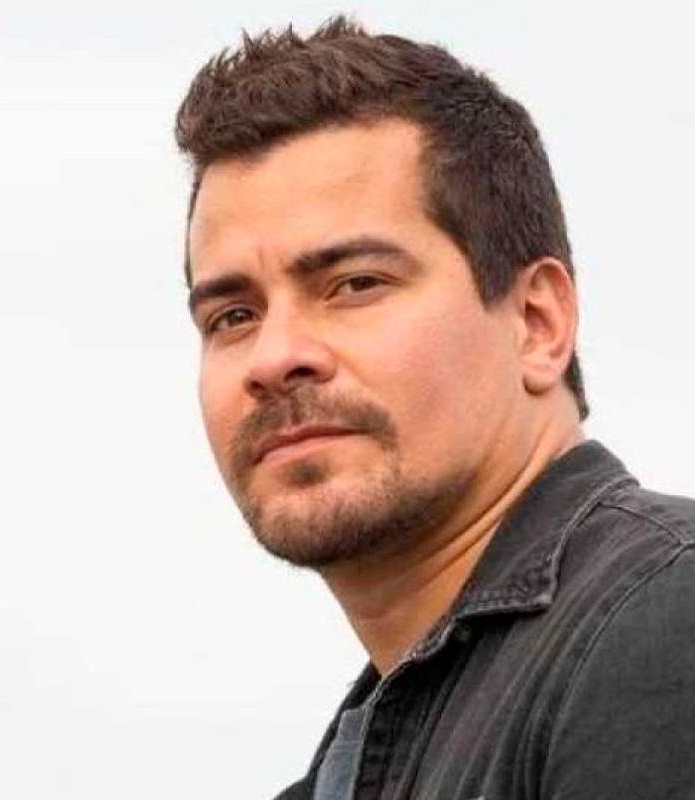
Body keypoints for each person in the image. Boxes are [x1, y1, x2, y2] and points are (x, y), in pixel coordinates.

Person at [175, 16, 695, 800]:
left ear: (536, 323)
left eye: (355, 284)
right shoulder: (344, 770)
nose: (274, 357)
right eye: (232, 317)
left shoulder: (665, 618)